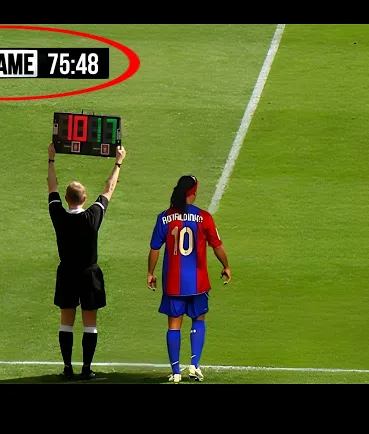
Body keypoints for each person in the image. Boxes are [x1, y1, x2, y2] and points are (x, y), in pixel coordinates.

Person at [47, 141, 126, 380]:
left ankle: (67, 368)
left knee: (66, 321)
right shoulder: (93, 216)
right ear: (85, 198)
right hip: (89, 274)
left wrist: (51, 159)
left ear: (65, 198)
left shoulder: (58, 215)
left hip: (67, 273)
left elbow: (51, 186)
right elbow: (109, 188)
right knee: (90, 322)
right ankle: (86, 369)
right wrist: (118, 162)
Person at [147, 175, 232, 383]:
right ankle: (194, 366)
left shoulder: (164, 217)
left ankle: (176, 372)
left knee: (174, 325)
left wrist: (150, 272)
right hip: (198, 282)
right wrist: (226, 266)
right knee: (198, 320)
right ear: (192, 193)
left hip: (173, 283)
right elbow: (217, 246)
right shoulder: (204, 217)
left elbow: (155, 248)